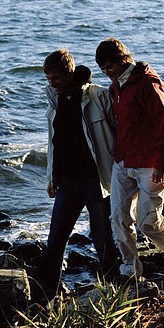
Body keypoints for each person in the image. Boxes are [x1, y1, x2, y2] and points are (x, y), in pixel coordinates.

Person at [95, 38, 164, 286]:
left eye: (109, 67)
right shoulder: (116, 87)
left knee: (148, 222)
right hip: (123, 162)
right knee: (118, 219)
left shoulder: (147, 82)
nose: (106, 73)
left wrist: (162, 161)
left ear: (122, 60)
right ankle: (130, 271)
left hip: (151, 164)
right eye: (102, 69)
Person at [35, 49, 120, 303]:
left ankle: (114, 295)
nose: (52, 83)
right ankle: (43, 301)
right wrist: (52, 177)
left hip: (96, 182)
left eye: (56, 78)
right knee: (55, 242)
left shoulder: (98, 96)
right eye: (48, 79)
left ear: (70, 73)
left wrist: (123, 174)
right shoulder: (54, 100)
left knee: (102, 239)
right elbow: (54, 143)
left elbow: (119, 133)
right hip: (67, 184)